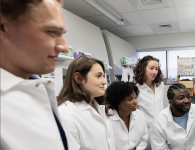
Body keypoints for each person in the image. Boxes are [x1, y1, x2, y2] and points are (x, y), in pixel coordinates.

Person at [1, 0, 69, 149]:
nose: (64, 47)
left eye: (62, 34)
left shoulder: (38, 88)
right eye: (52, 32)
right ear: (3, 27)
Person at [57, 56, 115, 150]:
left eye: (103, 76)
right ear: (78, 78)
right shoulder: (66, 114)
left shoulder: (98, 106)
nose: (104, 82)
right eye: (98, 76)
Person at [149, 83, 195, 150]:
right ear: (170, 102)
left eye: (188, 96)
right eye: (181, 98)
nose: (187, 101)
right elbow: (159, 148)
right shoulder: (159, 121)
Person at [105, 81, 148, 150]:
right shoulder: (107, 119)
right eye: (130, 99)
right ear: (118, 102)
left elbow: (143, 139)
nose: (135, 102)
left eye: (135, 97)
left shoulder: (140, 114)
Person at [133, 56, 164, 129]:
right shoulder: (136, 88)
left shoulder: (160, 85)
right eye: (151, 68)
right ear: (143, 69)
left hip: (161, 127)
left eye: (156, 69)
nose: (154, 72)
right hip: (145, 129)